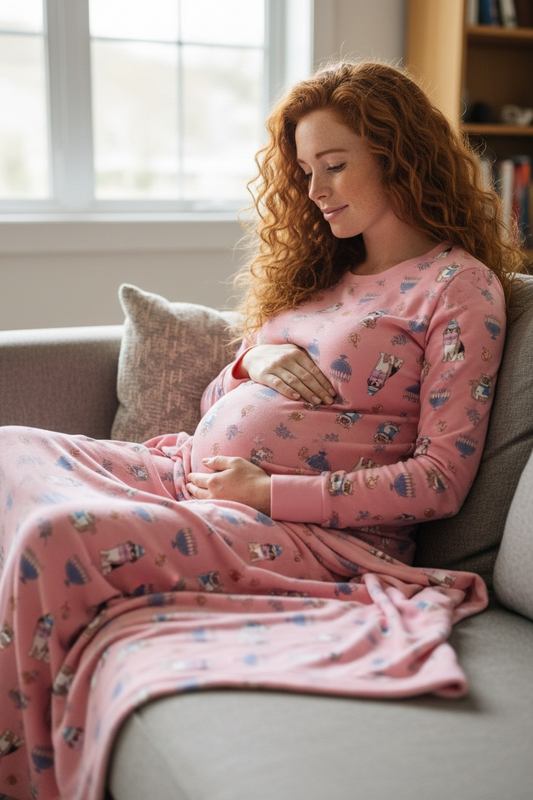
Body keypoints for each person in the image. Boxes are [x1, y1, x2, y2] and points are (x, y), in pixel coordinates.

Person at [0, 61, 525, 800]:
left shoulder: (457, 287)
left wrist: (270, 491)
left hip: (323, 541)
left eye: (335, 166)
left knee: (55, 537)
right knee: (6, 449)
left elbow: (439, 479)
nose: (315, 191)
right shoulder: (323, 277)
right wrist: (255, 360)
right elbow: (218, 399)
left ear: (398, 155)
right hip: (193, 471)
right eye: (306, 169)